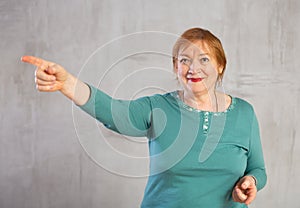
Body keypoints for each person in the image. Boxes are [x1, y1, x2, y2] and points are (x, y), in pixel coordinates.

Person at [22, 27, 267, 207]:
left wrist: (251, 181)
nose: (194, 68)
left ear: (220, 65)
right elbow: (112, 110)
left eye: (204, 59)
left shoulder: (244, 113)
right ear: (175, 67)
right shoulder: (157, 107)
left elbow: (258, 169)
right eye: (184, 60)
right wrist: (67, 84)